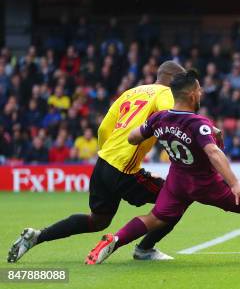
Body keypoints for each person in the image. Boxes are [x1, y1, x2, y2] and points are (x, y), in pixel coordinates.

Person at [84, 70, 240, 264]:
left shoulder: (159, 118)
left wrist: (152, 130)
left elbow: (133, 138)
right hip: (204, 182)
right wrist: (235, 184)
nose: (200, 94)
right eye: (199, 91)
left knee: (154, 218)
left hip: (177, 182)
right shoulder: (198, 124)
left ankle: (115, 240)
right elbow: (213, 153)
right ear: (192, 94)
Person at [7, 61, 187, 263]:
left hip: (103, 163)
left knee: (98, 220)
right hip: (123, 167)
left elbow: (103, 129)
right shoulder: (165, 93)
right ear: (172, 79)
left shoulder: (131, 92)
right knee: (177, 198)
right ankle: (145, 249)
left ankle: (38, 236)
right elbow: (173, 117)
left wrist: (108, 154)